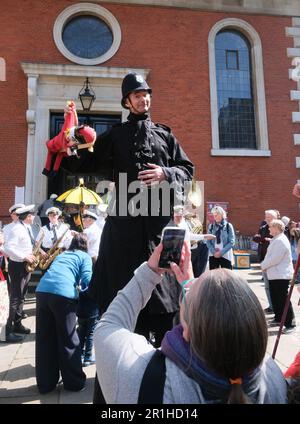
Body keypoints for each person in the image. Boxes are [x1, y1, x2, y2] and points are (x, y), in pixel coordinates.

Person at [93, 242, 287, 404]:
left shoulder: (140, 374)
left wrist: (150, 272)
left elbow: (109, 325)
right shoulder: (273, 378)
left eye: (196, 290)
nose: (192, 284)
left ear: (187, 333)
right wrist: (190, 287)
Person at [35, 233, 92, 394]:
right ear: (85, 246)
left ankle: (46, 384)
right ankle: (74, 383)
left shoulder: (63, 254)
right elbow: (87, 279)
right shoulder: (84, 256)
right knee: (68, 339)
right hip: (62, 296)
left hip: (42, 292)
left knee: (45, 340)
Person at [2, 205, 37, 342]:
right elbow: (8, 248)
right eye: (32, 215)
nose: (33, 217)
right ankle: (7, 331)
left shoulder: (25, 227)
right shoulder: (17, 229)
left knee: (22, 296)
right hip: (17, 265)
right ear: (27, 216)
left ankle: (17, 324)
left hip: (24, 265)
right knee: (15, 298)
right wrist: (25, 256)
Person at [261, 219, 296, 334]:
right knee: (276, 299)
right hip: (275, 275)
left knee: (283, 300)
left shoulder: (281, 240)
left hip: (281, 275)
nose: (269, 229)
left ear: (276, 228)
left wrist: (263, 265)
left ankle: (290, 324)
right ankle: (279, 319)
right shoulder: (276, 239)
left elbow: (275, 258)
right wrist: (265, 265)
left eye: (271, 227)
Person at [76, 210, 102, 367]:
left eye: (86, 218)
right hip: (94, 262)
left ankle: (83, 355)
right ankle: (86, 355)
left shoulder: (88, 232)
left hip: (90, 261)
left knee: (87, 326)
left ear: (91, 219)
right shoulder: (96, 230)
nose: (84, 220)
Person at [253, 209, 279, 314]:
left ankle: (277, 308)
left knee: (275, 287)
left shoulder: (280, 229)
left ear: (275, 218)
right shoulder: (263, 227)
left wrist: (266, 240)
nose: (266, 219)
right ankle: (272, 307)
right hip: (264, 260)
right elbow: (258, 237)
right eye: (266, 216)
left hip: (273, 262)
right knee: (267, 287)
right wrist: (258, 238)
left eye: (269, 217)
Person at [206, 206, 235, 270]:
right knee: (214, 277)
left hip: (226, 255)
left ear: (222, 214)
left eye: (217, 214)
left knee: (226, 277)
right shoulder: (211, 226)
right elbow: (208, 241)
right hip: (213, 255)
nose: (215, 216)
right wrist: (214, 252)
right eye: (214, 214)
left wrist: (221, 252)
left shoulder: (228, 226)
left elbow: (232, 242)